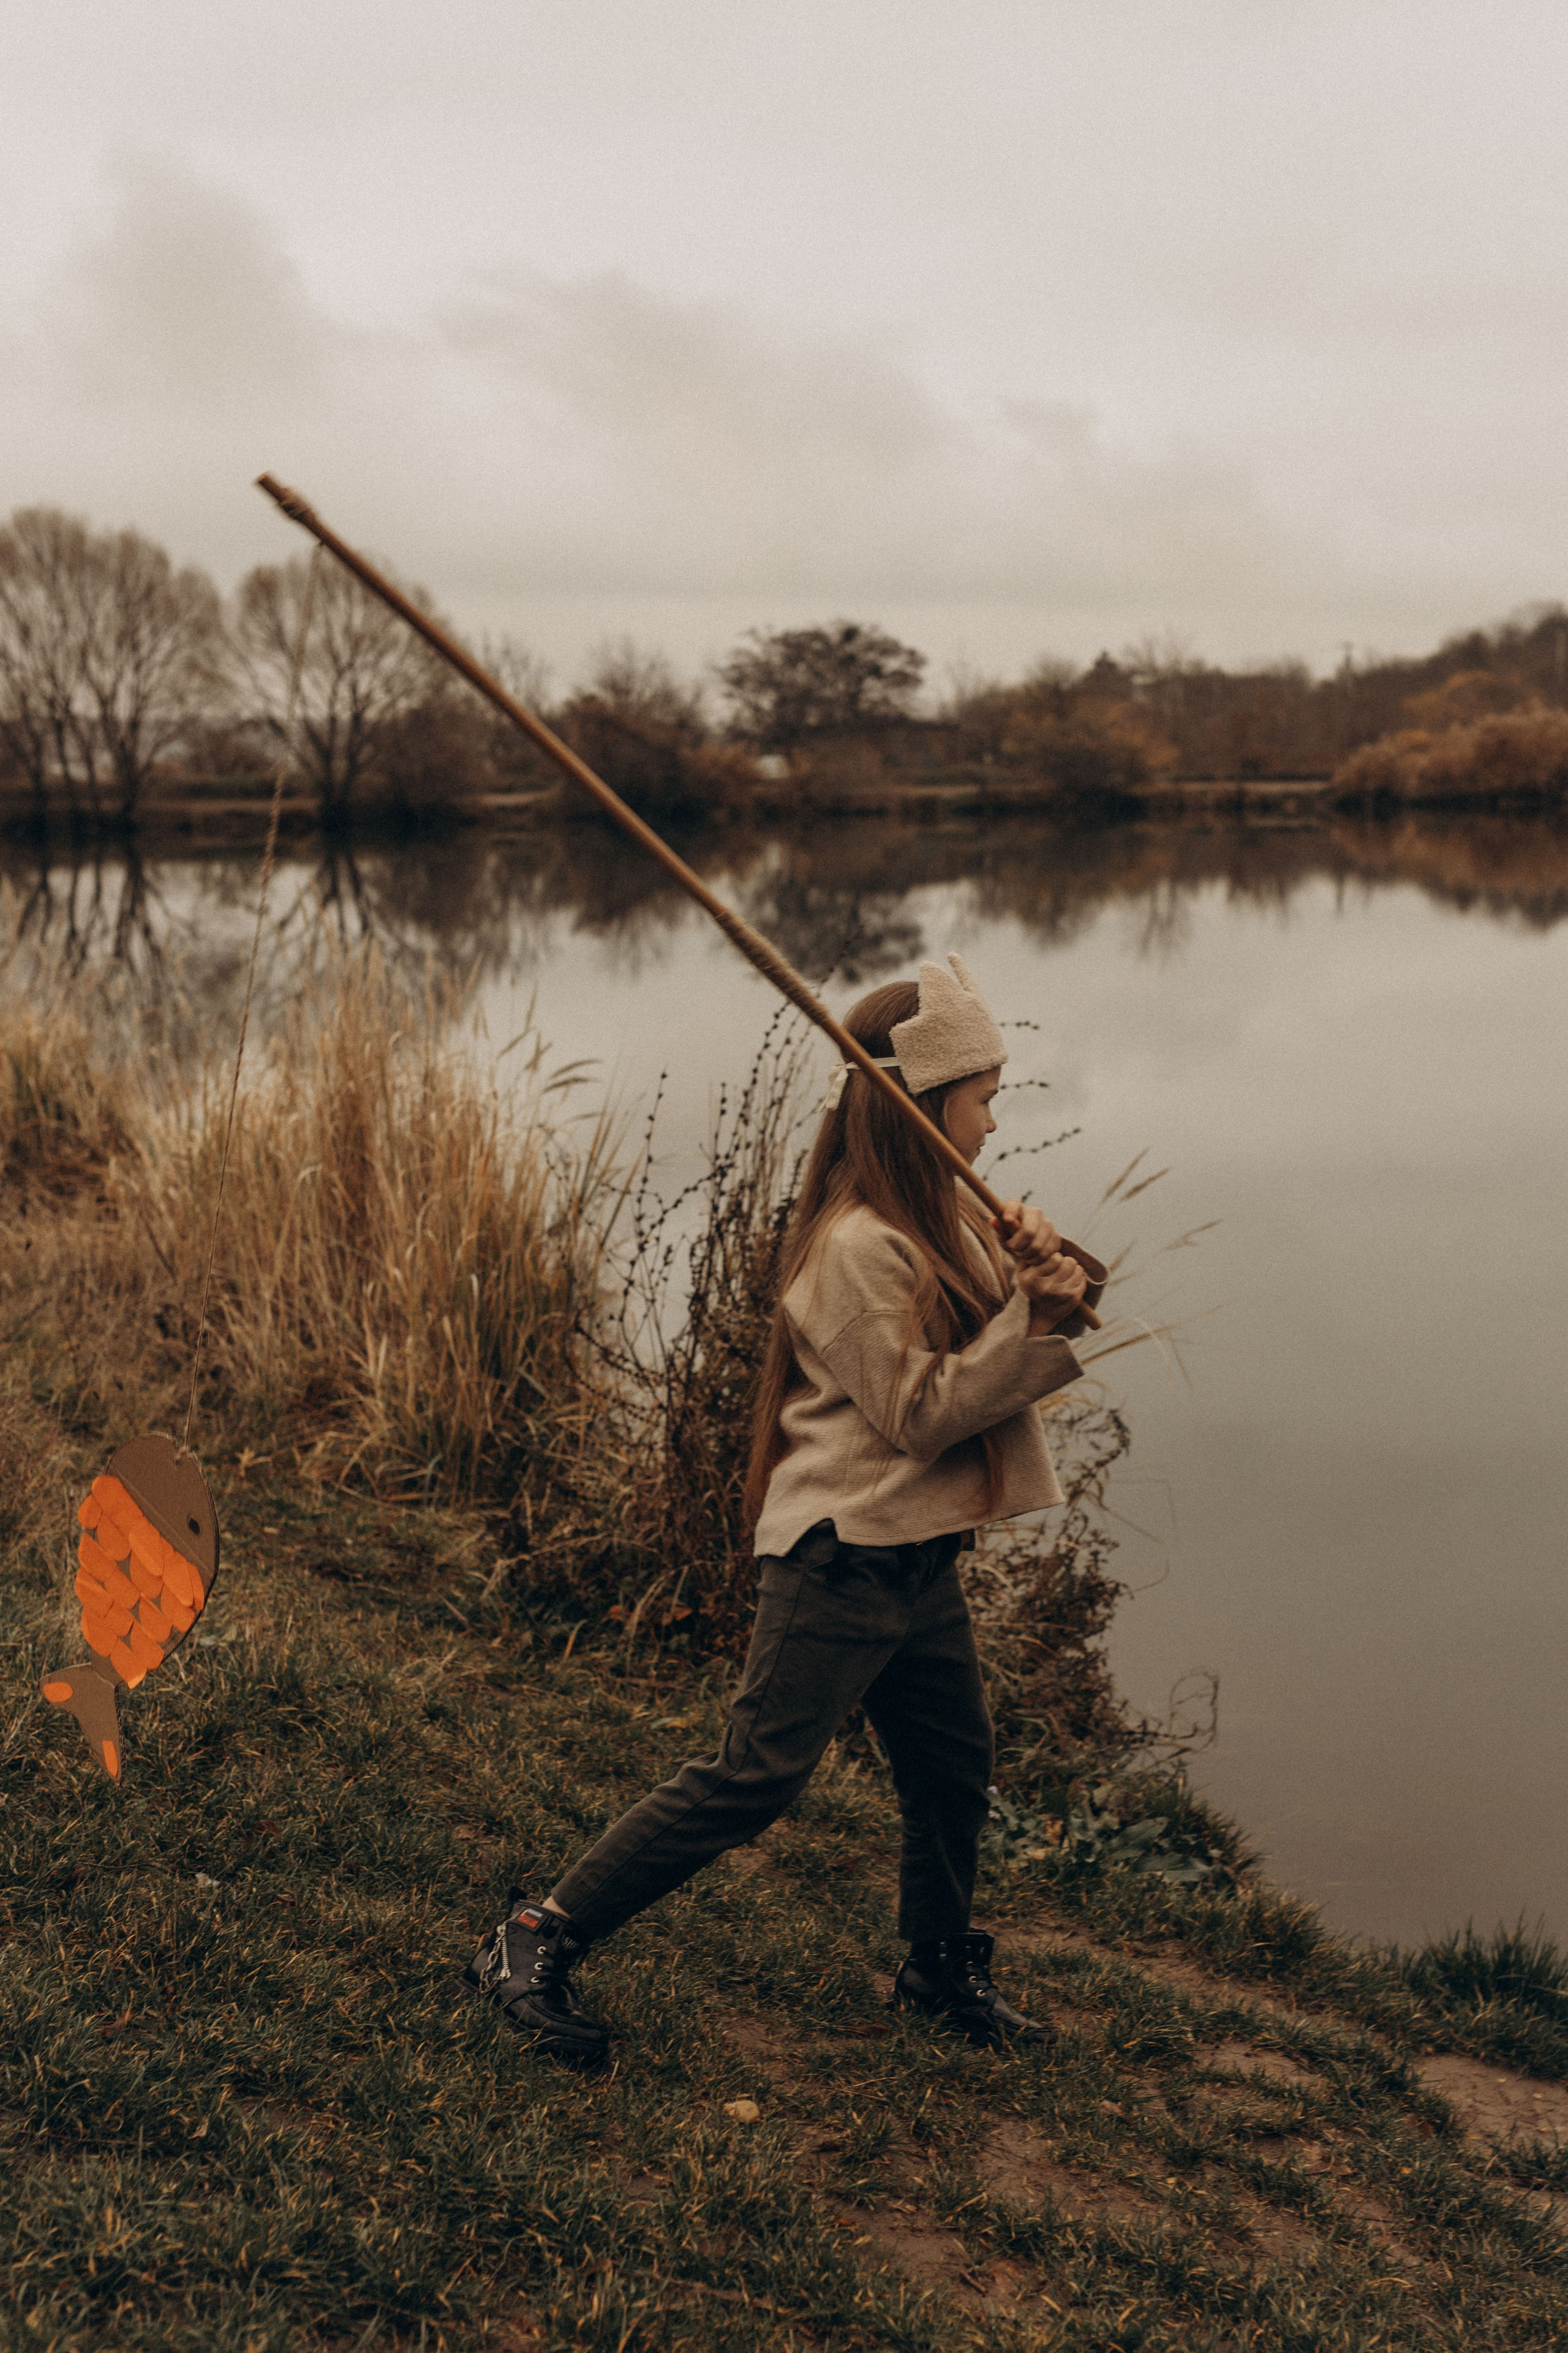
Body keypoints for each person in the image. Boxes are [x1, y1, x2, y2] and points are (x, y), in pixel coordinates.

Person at [466, 954, 1104, 2065]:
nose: (997, 1121)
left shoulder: (946, 1211)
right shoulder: (857, 1245)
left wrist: (1048, 1276)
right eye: (985, 1096)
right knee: (752, 1776)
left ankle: (938, 1964)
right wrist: (1029, 1324)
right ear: (924, 1106)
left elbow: (1043, 1322)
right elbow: (918, 1411)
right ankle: (536, 1936)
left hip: (918, 1560)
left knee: (955, 1765)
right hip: (841, 1556)